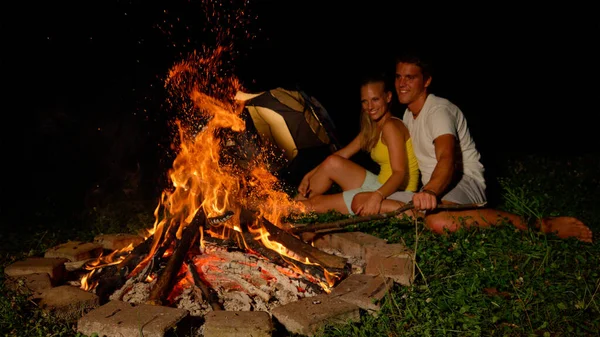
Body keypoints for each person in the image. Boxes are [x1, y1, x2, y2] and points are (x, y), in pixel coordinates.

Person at [351, 52, 593, 243]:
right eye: (398, 77)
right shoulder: (407, 116)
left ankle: (539, 224)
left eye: (410, 77)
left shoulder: (438, 111)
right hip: (431, 191)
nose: (402, 84)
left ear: (427, 81)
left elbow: (447, 159)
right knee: (361, 201)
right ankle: (428, 215)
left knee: (438, 222)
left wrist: (431, 192)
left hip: (463, 183)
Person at [295, 73, 420, 215]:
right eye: (364, 101)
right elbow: (343, 154)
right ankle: (294, 202)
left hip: (396, 192)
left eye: (375, 99)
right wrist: (309, 175)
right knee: (332, 162)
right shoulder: (373, 127)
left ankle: (284, 208)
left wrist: (376, 196)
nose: (370, 106)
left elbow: (399, 173)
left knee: (313, 205)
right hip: (379, 183)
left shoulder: (391, 126)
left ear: (388, 97)